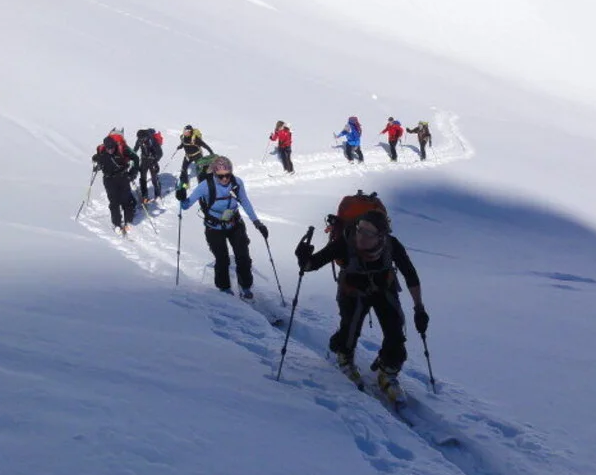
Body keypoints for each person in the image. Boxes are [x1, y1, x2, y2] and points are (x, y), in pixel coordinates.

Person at [294, 210, 428, 401]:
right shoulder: (345, 242)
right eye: (360, 229)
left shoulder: (392, 245)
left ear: (381, 236)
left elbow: (410, 275)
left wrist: (419, 308)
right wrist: (303, 258)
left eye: (368, 233)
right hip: (352, 291)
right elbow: (312, 264)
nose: (361, 236)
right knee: (350, 328)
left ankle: (388, 370)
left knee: (395, 331)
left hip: (383, 289)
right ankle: (344, 355)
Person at [176, 156, 269, 300]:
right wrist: (181, 196)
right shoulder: (205, 186)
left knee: (243, 256)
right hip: (214, 228)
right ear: (214, 174)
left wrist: (257, 222)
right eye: (221, 176)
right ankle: (224, 288)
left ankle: (245, 286)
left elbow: (245, 201)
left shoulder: (237, 182)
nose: (225, 179)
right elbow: (186, 206)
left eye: (227, 175)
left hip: (235, 224)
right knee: (222, 259)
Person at [92, 135, 139, 235]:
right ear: (105, 147)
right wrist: (96, 165)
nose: (110, 150)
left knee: (126, 199)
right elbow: (98, 164)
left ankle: (128, 220)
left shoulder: (122, 149)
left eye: (112, 147)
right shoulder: (101, 152)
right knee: (114, 202)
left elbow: (136, 158)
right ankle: (117, 224)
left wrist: (133, 173)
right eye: (108, 148)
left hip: (123, 177)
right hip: (109, 180)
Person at [134, 128, 164, 202]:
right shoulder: (139, 139)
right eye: (139, 139)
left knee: (154, 178)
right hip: (144, 160)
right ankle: (145, 195)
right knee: (142, 178)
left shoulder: (152, 140)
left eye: (142, 139)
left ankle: (157, 193)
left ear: (145, 137)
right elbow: (135, 149)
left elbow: (160, 153)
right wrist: (131, 157)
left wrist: (155, 162)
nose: (140, 140)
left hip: (152, 160)